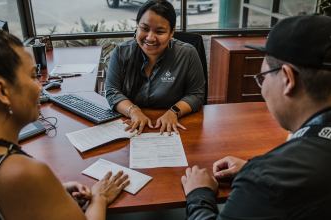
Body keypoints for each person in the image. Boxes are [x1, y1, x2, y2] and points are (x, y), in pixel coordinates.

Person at [0, 8, 129, 220]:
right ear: (2, 91)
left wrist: (53, 192)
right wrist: (100, 197)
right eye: (33, 76)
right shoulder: (23, 173)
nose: (40, 88)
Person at [181, 14, 331, 219]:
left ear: (287, 79)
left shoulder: (265, 181)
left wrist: (199, 193)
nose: (262, 91)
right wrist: (252, 167)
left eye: (262, 78)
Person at [105, 0, 205, 136]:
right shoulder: (121, 52)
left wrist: (174, 112)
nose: (150, 38)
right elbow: (112, 91)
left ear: (171, 33)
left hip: (172, 128)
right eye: (144, 29)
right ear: (138, 26)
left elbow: (196, 94)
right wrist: (134, 111)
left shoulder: (187, 54)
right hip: (130, 127)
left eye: (160, 31)